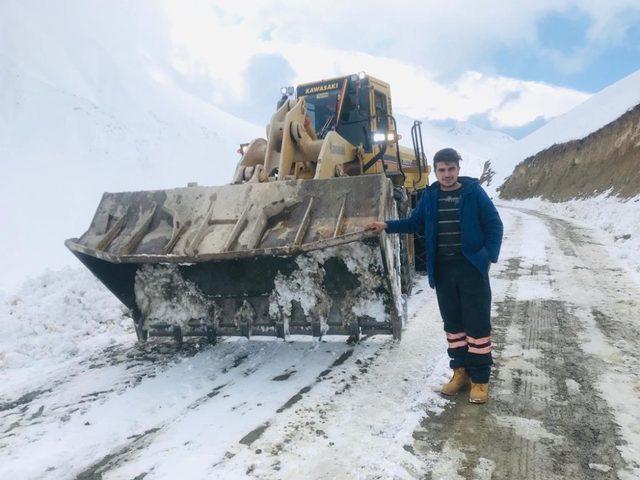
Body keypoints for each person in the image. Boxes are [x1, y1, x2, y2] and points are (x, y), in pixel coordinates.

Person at [366, 148, 503, 404]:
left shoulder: (473, 193)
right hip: (443, 270)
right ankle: (459, 373)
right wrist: (387, 225)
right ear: (436, 171)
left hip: (471, 268)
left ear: (458, 170)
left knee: (477, 325)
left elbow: (494, 224)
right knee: (453, 325)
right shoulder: (430, 196)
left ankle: (481, 380)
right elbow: (414, 223)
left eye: (451, 169)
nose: (447, 174)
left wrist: (487, 258)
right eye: (442, 169)